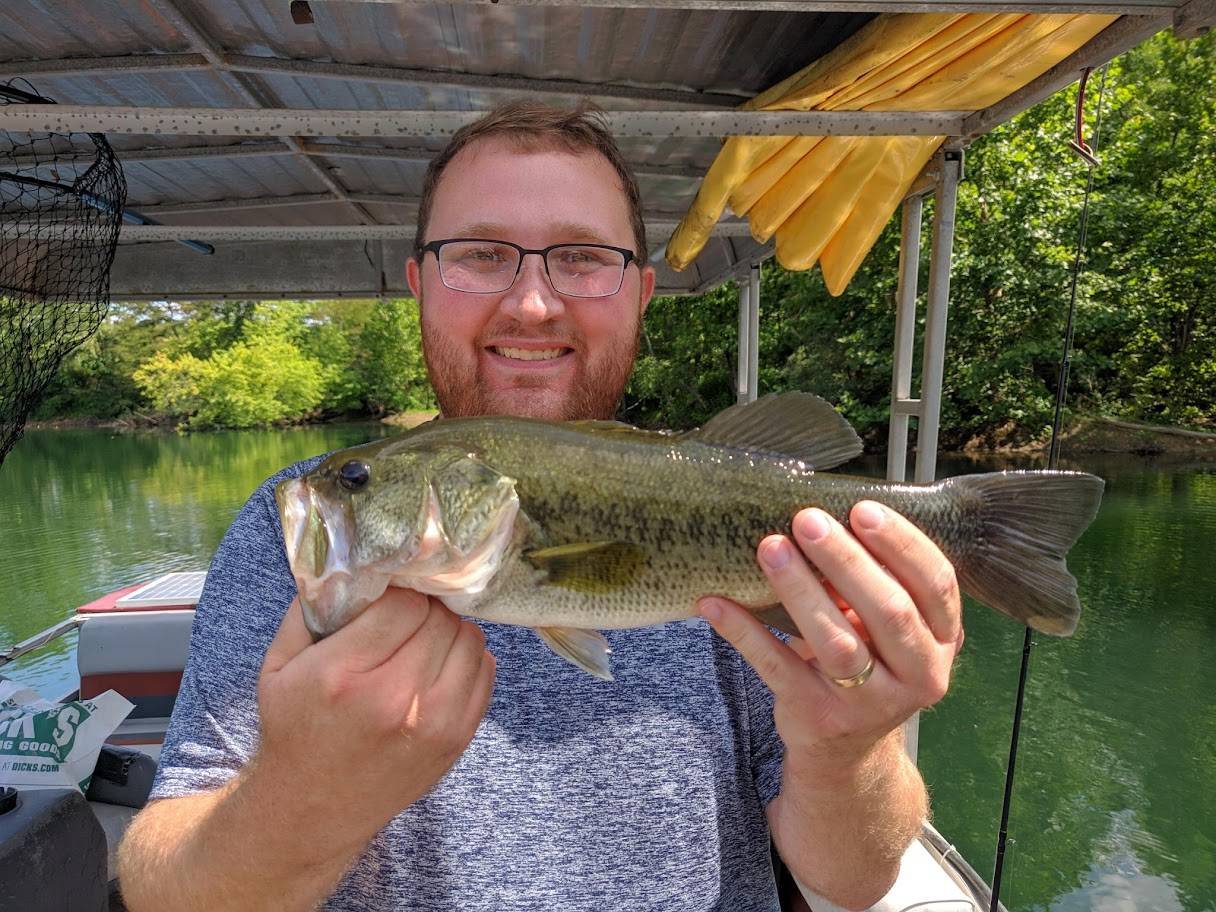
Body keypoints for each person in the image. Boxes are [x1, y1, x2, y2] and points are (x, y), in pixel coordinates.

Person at [117, 102, 963, 912]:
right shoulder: (291, 530)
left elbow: (851, 882)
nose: (530, 302)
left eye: (583, 257)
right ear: (420, 285)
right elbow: (161, 890)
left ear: (640, 293)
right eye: (481, 254)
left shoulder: (770, 531)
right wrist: (302, 795)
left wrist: (847, 752)